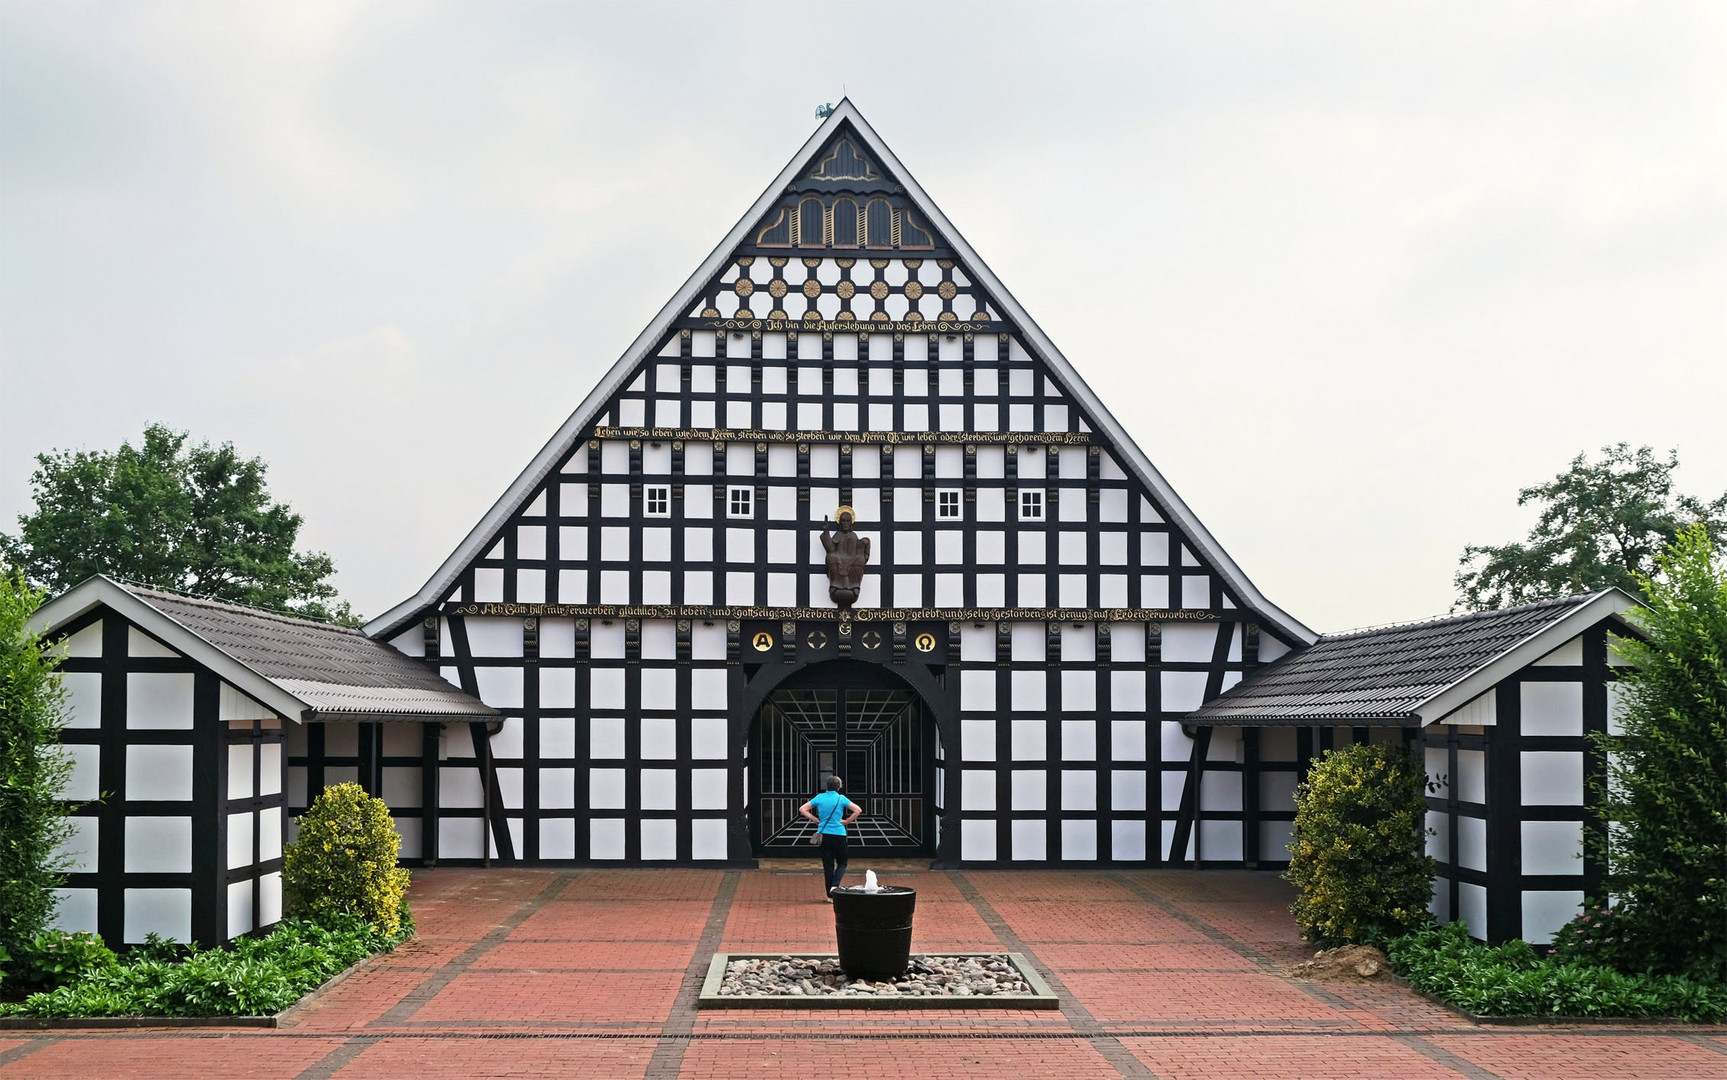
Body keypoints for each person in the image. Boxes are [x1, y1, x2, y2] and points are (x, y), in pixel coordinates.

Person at [799, 776, 862, 900]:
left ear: (826, 786)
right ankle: (835, 885)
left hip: (824, 835)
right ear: (839, 786)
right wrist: (846, 821)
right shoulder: (841, 798)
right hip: (839, 834)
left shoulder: (819, 798)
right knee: (842, 862)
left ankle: (830, 896)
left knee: (828, 866)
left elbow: (802, 809)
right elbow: (858, 810)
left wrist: (815, 819)